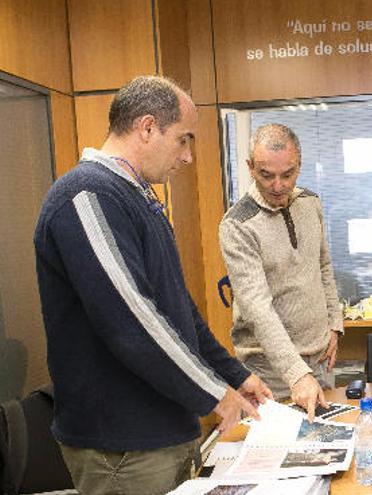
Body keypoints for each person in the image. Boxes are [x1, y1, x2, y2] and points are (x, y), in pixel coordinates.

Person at [33, 75, 273, 494]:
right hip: (123, 447)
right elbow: (132, 321)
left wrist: (234, 375)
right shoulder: (87, 196)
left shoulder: (136, 196)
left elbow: (176, 310)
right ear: (147, 128)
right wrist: (213, 392)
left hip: (164, 433)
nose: (188, 157)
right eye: (183, 139)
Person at [220, 123, 343, 422]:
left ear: (299, 165)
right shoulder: (237, 225)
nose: (278, 186)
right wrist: (296, 373)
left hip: (320, 358)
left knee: (327, 450)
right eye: (266, 175)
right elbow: (257, 308)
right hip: (270, 370)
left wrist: (334, 323)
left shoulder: (310, 202)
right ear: (250, 167)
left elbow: (323, 264)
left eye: (287, 174)